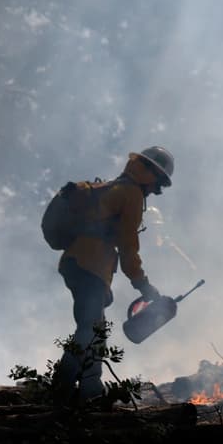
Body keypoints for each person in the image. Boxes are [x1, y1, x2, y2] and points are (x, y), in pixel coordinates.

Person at [54, 146, 175, 402]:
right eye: (159, 184)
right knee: (90, 328)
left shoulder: (117, 186)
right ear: (151, 174)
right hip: (90, 267)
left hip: (78, 262)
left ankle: (89, 388)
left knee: (95, 329)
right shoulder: (131, 194)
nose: (156, 191)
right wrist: (143, 284)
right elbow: (128, 245)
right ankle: (64, 385)